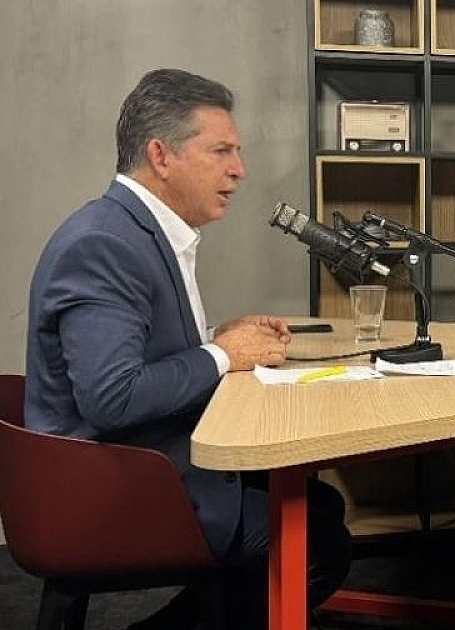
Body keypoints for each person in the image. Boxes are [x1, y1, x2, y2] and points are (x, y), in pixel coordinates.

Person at [24, 69, 352, 630]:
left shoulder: (132, 229)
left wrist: (220, 338)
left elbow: (137, 352)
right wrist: (223, 355)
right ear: (161, 155)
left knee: (319, 504)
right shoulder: (105, 245)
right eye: (222, 151)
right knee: (320, 544)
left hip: (135, 459)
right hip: (111, 487)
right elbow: (113, 397)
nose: (239, 169)